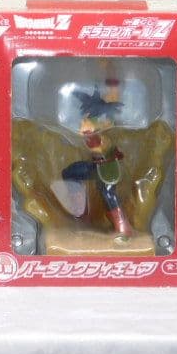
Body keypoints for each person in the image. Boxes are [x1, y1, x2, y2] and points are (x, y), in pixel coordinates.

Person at [62, 80, 133, 241]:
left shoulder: (98, 128)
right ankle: (82, 215)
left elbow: (96, 137)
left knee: (108, 193)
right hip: (98, 166)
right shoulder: (96, 125)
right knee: (70, 174)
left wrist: (112, 85)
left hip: (106, 168)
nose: (84, 121)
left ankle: (123, 228)